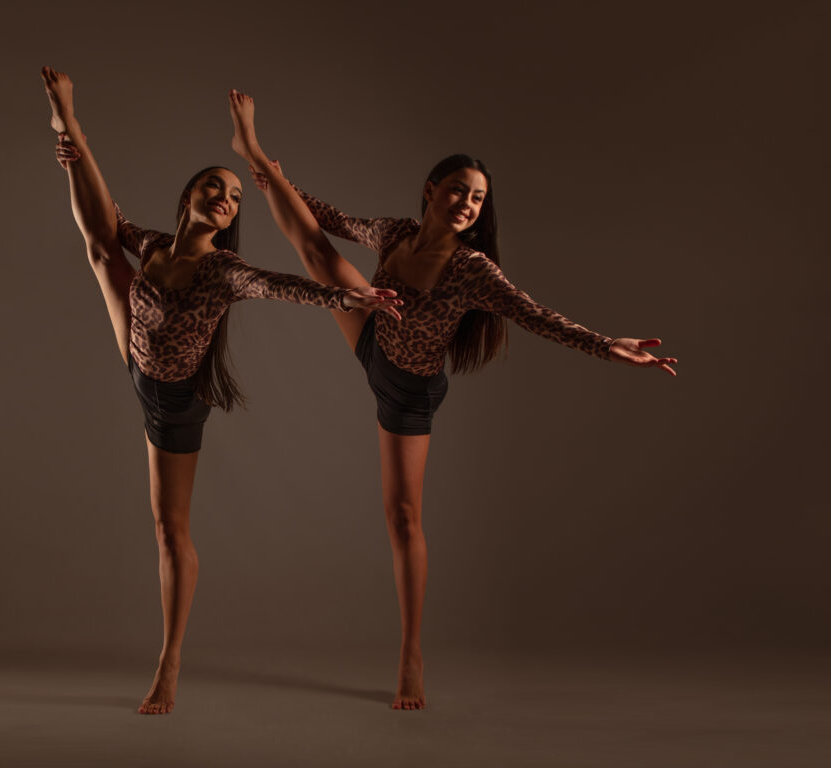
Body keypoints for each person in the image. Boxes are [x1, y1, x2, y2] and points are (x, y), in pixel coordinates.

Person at [227, 89, 677, 710]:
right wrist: (269, 173)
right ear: (431, 190)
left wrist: (608, 345)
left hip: (409, 391)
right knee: (315, 251)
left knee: (402, 517)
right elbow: (327, 217)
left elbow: (536, 315)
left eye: (478, 198)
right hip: (373, 338)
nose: (467, 204)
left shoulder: (472, 270)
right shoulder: (395, 233)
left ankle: (411, 653)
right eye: (459, 191)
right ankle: (248, 147)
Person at [41, 67, 401, 715]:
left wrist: (344, 297)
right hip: (136, 356)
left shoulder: (223, 270)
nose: (226, 198)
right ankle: (72, 131)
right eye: (215, 185)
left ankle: (169, 659)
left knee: (168, 530)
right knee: (103, 245)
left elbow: (278, 285)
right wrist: (76, 158)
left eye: (235, 197)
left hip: (176, 400)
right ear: (189, 197)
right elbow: (110, 222)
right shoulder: (155, 245)